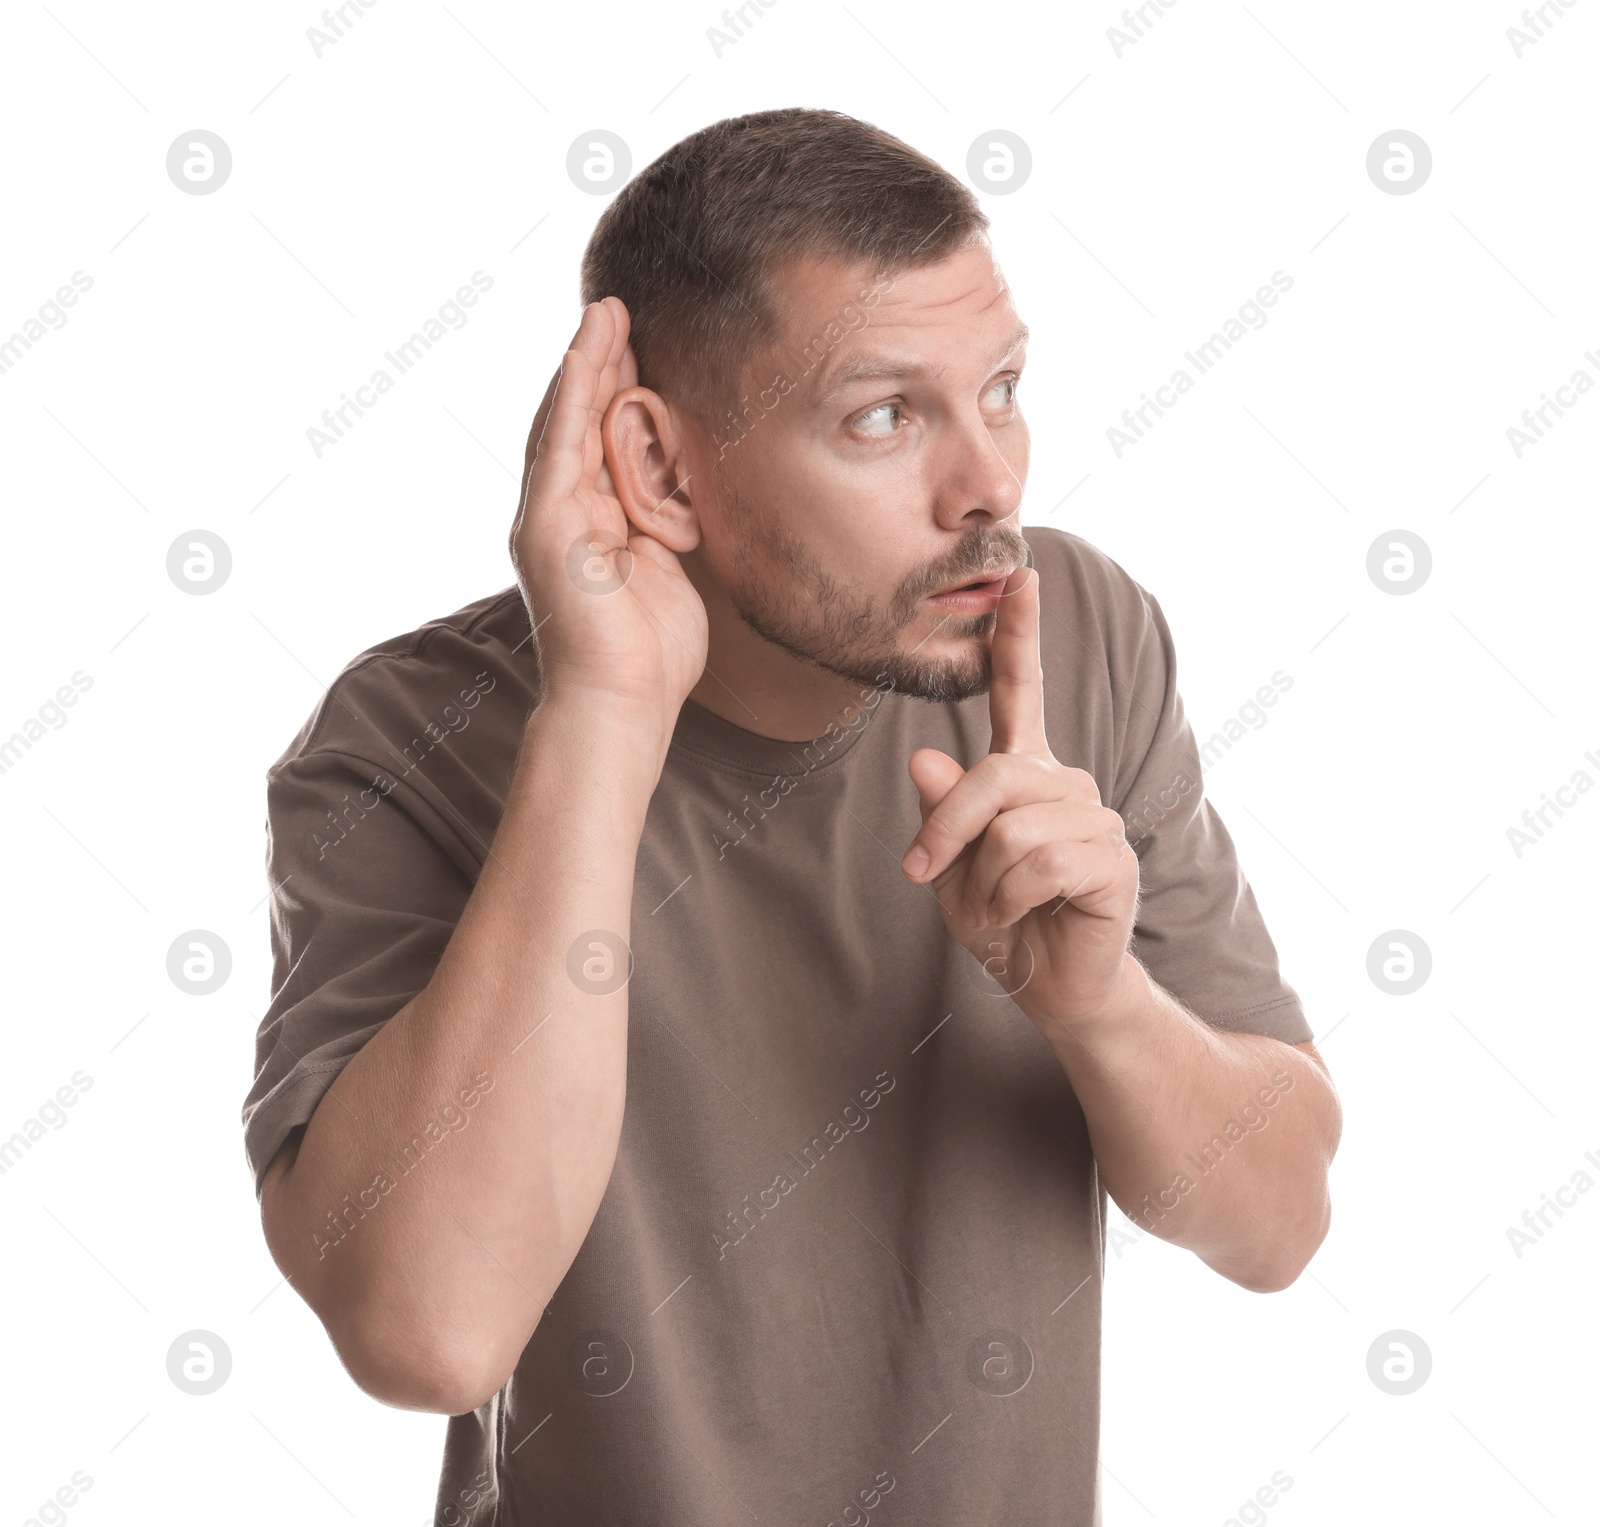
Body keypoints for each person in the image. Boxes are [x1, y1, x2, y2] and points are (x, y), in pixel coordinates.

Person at [243, 107, 1341, 1525]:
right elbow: (429, 1332)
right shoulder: (410, 738)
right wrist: (603, 717)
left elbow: (1280, 1223)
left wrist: (1103, 1007)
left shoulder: (1078, 637)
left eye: (1001, 389)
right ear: (658, 465)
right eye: (885, 416)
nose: (990, 485)